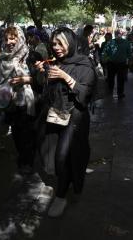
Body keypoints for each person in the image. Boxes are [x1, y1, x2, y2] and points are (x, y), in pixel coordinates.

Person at [34, 27, 96, 217]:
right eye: (54, 43)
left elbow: (85, 94)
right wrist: (40, 74)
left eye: (61, 43)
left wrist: (65, 76)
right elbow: (43, 90)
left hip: (75, 117)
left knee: (63, 157)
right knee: (51, 156)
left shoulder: (85, 64)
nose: (57, 47)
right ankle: (62, 184)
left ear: (71, 42)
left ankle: (61, 196)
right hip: (54, 116)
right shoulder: (54, 63)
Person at [0, 26, 37, 174]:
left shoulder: (30, 56)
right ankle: (22, 157)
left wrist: (25, 79)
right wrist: (3, 87)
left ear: (19, 38)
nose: (9, 42)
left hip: (26, 101)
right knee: (16, 133)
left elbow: (41, 79)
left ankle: (27, 161)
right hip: (9, 102)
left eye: (13, 38)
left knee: (26, 132)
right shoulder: (2, 58)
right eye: (6, 39)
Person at [103, 30, 131, 99]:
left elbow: (104, 53)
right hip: (120, 63)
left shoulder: (110, 42)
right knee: (120, 79)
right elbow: (129, 54)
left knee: (111, 78)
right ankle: (120, 93)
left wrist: (106, 59)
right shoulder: (126, 42)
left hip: (113, 63)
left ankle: (111, 90)